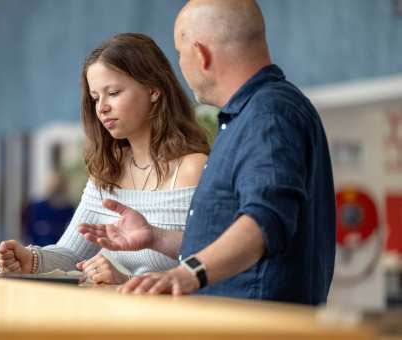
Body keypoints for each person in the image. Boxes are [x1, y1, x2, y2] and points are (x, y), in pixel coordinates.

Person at [79, 0, 336, 305]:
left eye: (179, 53)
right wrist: (155, 237)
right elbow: (227, 233)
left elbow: (264, 222)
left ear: (200, 54)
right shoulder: (249, 116)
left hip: (255, 324)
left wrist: (188, 274)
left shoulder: (268, 114)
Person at [0, 32, 210, 284]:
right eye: (96, 98)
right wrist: (30, 258)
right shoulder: (108, 171)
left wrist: (126, 279)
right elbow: (71, 254)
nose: (102, 107)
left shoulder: (193, 168)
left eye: (114, 92)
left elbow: (210, 264)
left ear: (153, 90)